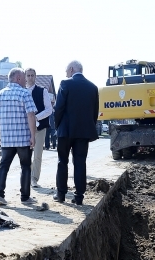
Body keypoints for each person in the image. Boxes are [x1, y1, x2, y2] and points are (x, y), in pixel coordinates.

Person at [53, 60, 99, 205]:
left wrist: (57, 126)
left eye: (66, 70)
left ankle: (61, 194)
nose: (66, 73)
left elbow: (58, 108)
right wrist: (88, 126)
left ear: (71, 69)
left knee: (62, 161)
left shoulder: (65, 83)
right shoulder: (93, 87)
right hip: (83, 132)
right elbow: (94, 112)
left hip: (65, 131)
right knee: (80, 163)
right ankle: (79, 197)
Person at [0, 67, 37, 206]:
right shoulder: (24, 94)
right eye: (24, 77)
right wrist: (33, 135)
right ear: (18, 78)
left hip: (6, 139)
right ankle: (25, 197)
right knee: (25, 166)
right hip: (23, 138)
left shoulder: (0, 94)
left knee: (4, 166)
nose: (26, 80)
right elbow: (31, 115)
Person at [25, 68, 53, 187]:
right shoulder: (22, 91)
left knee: (37, 154)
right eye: (28, 75)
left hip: (40, 128)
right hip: (25, 129)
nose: (30, 77)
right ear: (25, 77)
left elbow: (49, 109)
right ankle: (26, 177)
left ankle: (34, 179)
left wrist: (36, 117)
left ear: (35, 77)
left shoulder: (43, 91)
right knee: (26, 155)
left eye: (32, 75)